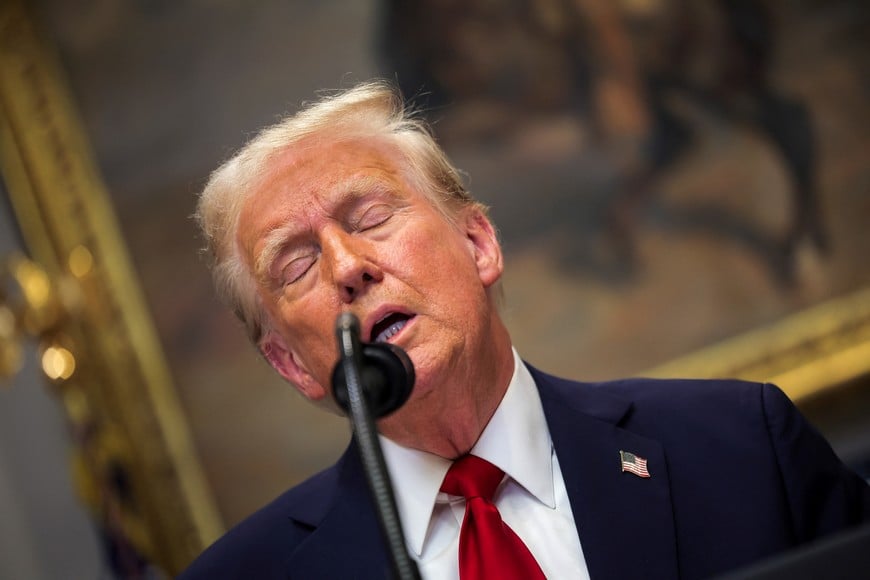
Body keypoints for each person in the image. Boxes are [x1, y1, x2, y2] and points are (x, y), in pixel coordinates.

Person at [179, 81, 869, 579]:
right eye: (297, 265)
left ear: (479, 244)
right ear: (292, 365)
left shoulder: (743, 448)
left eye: (370, 219)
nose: (348, 267)